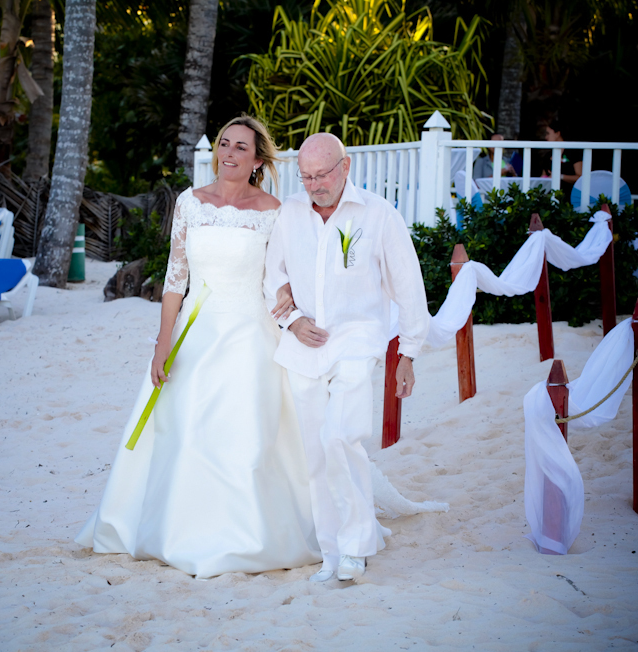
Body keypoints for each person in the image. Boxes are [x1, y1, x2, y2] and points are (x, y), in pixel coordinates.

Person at [76, 115, 322, 578]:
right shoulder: (190, 201)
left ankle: (249, 536)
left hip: (251, 335)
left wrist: (291, 298)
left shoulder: (274, 210)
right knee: (184, 429)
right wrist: (162, 344)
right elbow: (176, 279)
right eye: (224, 144)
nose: (229, 153)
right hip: (197, 331)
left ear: (257, 160)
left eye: (241, 147)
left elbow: (285, 273)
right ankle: (177, 529)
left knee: (247, 435)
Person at [264, 133, 431, 583]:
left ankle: (356, 546)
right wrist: (292, 320)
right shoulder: (290, 213)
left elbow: (408, 286)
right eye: (306, 177)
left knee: (341, 437)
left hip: (357, 341)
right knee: (316, 452)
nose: (314, 185)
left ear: (346, 166)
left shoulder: (378, 214)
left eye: (322, 175)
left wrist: (408, 353)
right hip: (302, 348)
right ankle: (332, 552)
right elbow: (272, 277)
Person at [541, 118, 583, 198]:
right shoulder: (547, 155)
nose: (546, 137)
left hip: (570, 196)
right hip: (549, 197)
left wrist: (560, 176)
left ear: (557, 133)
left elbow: (581, 177)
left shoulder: (573, 152)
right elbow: (543, 176)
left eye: (548, 133)